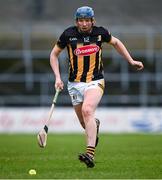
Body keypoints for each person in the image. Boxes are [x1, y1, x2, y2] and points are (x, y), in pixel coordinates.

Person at [41, 6, 144, 168]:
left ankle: (90, 154)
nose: (84, 24)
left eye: (87, 20)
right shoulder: (68, 35)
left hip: (95, 81)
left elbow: (116, 42)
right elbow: (54, 54)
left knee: (87, 110)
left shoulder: (100, 33)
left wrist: (131, 61)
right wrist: (57, 78)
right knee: (85, 123)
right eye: (81, 20)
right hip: (74, 84)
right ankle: (94, 125)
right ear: (76, 21)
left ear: (92, 21)